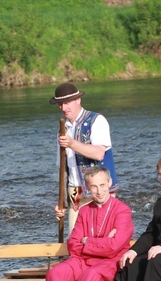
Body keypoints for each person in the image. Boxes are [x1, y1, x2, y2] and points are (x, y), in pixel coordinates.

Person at [45, 165, 134, 281]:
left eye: (102, 185)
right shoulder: (84, 210)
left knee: (90, 275)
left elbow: (114, 246)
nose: (99, 191)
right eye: (94, 186)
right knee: (56, 273)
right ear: (87, 188)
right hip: (83, 260)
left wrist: (87, 241)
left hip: (110, 263)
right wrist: (103, 242)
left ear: (109, 183)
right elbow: (73, 245)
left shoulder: (122, 210)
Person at [51, 82, 119, 229]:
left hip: (98, 190)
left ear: (78, 100)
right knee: (75, 239)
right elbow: (63, 168)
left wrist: (71, 143)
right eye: (60, 104)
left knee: (99, 238)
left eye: (67, 103)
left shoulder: (96, 121)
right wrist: (62, 202)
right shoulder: (62, 130)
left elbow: (99, 153)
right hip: (75, 191)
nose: (64, 108)